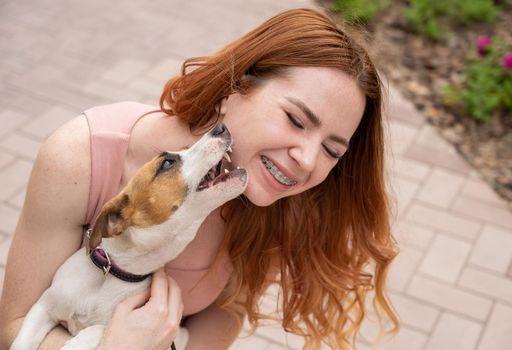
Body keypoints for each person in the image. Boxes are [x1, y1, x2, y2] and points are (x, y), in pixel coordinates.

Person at [0, 8, 399, 350]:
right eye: (295, 120)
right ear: (234, 89)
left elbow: (228, 310)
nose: (307, 160)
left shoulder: (275, 194)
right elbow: (13, 328)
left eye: (332, 150)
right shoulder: (80, 158)